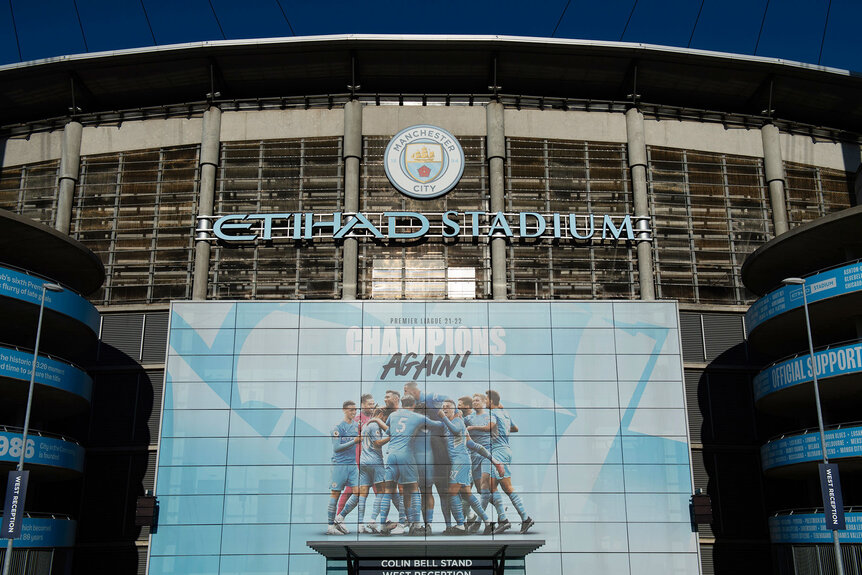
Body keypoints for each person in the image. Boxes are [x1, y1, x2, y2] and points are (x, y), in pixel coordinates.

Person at [370, 394, 444, 536]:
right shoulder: (417, 417)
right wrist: (444, 416)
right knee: (413, 489)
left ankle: (381, 525)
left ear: (402, 403)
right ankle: (416, 525)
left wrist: (377, 420)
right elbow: (438, 425)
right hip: (406, 455)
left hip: (391, 455)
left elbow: (388, 432)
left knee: (388, 491)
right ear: (414, 405)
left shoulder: (393, 415)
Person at [438, 399, 504, 535]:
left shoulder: (457, 422)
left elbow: (455, 430)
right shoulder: (448, 423)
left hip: (460, 462)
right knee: (467, 495)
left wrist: (443, 417)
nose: (444, 409)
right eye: (443, 407)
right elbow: (473, 445)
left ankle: (461, 525)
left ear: (454, 409)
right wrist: (494, 460)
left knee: (451, 493)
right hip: (463, 462)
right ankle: (487, 522)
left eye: (448, 407)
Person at [483, 389, 534, 534]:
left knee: (507, 487)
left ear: (491, 401)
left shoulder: (492, 414)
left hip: (499, 451)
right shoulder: (505, 413)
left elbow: (490, 427)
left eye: (486, 399)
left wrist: (474, 429)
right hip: (505, 450)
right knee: (490, 486)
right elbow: (515, 428)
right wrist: (503, 430)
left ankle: (525, 518)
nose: (485, 402)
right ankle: (503, 519)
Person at [337, 393, 377, 516]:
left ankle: (381, 520)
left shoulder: (376, 418)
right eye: (369, 404)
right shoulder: (357, 420)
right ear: (363, 405)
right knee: (351, 490)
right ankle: (338, 517)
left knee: (379, 489)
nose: (372, 406)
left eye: (373, 404)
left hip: (372, 460)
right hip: (359, 460)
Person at [326, 401, 361, 535]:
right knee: (335, 494)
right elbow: (336, 448)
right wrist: (354, 441)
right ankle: (330, 527)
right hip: (339, 465)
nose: (353, 412)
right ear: (344, 410)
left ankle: (340, 517)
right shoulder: (337, 427)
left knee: (359, 493)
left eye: (355, 410)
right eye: (351, 410)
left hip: (352, 465)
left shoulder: (355, 426)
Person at [356, 407, 389, 533]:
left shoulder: (366, 425)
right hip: (375, 462)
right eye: (385, 418)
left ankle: (360, 524)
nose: (385, 421)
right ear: (381, 414)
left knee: (363, 493)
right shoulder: (375, 425)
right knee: (382, 491)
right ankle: (372, 520)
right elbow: (377, 443)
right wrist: (391, 437)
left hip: (363, 462)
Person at [465, 393, 493, 515]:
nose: (475, 402)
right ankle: (471, 516)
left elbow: (489, 428)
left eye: (477, 400)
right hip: (473, 455)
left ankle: (498, 509)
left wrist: (472, 428)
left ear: (483, 402)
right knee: (478, 489)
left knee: (484, 485)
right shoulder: (469, 418)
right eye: (473, 401)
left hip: (486, 453)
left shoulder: (489, 416)